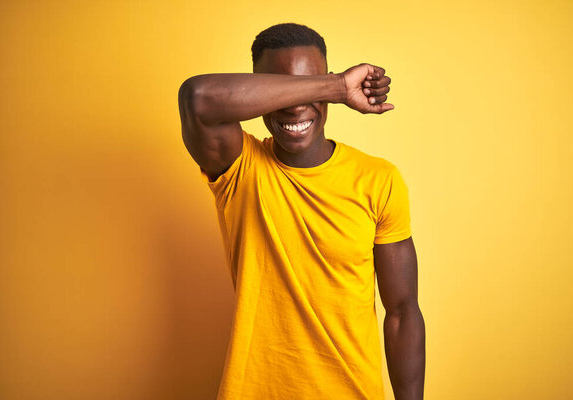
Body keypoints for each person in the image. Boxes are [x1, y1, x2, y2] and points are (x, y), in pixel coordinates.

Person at [178, 22, 425, 400]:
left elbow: (403, 312)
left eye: (310, 87)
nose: (295, 105)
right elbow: (197, 97)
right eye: (282, 90)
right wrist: (337, 87)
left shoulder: (378, 179)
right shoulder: (240, 167)